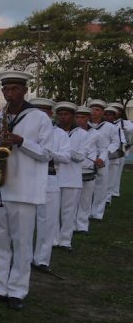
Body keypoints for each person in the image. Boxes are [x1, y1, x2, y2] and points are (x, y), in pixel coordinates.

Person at [0, 71, 52, 310]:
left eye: (14, 89)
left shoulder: (39, 118)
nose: (9, 94)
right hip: (0, 187)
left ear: (25, 90)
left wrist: (21, 141)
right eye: (6, 89)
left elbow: (47, 154)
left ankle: (17, 291)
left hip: (25, 190)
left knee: (22, 244)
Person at [29, 98, 70, 272]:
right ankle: (24, 257)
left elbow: (66, 157)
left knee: (47, 221)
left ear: (51, 114)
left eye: (44, 113)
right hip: (27, 177)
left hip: (49, 177)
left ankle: (42, 260)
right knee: (25, 221)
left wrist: (47, 153)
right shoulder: (26, 131)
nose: (40, 116)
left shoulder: (60, 134)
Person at [53, 102, 88, 252]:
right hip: (55, 176)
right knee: (53, 211)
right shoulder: (52, 132)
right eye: (60, 114)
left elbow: (81, 156)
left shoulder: (83, 134)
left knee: (69, 212)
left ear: (73, 116)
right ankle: (53, 239)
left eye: (66, 114)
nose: (63, 117)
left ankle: (65, 241)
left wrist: (66, 152)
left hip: (72, 178)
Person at [74, 106, 106, 234]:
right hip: (73, 169)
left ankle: (82, 225)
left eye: (82, 117)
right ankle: (71, 224)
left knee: (86, 199)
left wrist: (101, 158)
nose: (79, 120)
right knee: (72, 200)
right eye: (77, 117)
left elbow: (103, 149)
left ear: (88, 118)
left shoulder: (96, 134)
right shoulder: (72, 132)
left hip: (88, 169)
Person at [87, 99, 118, 221]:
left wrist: (106, 153)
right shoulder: (85, 125)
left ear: (102, 112)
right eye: (92, 109)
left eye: (98, 110)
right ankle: (85, 211)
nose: (94, 112)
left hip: (103, 158)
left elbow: (115, 142)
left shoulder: (110, 127)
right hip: (87, 158)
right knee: (87, 186)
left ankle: (97, 213)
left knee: (101, 186)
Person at [104, 103, 128, 202]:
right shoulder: (100, 127)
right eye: (106, 114)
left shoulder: (117, 127)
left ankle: (108, 197)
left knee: (112, 178)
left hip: (114, 156)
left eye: (110, 115)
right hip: (102, 156)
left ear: (114, 116)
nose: (108, 117)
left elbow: (121, 142)